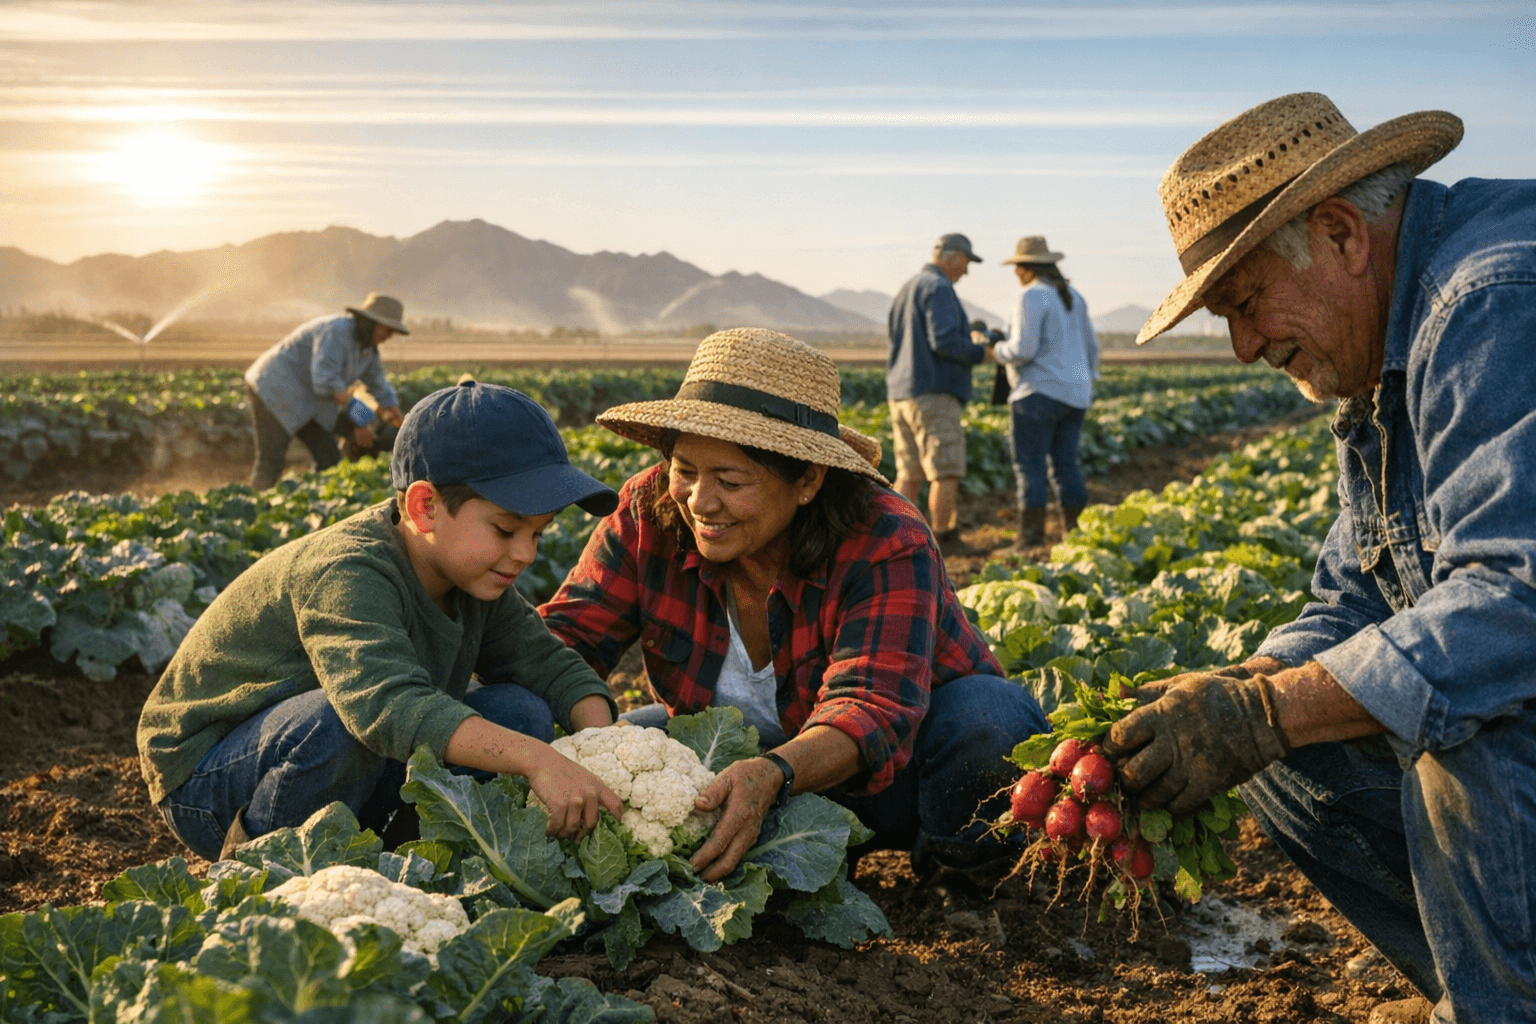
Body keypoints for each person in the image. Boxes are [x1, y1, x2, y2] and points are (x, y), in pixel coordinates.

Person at [1104, 92, 1536, 1024]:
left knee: (1461, 730)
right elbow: (1351, 596)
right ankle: (1491, 993)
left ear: (1341, 232)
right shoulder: (1379, 354)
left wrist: (1270, 710)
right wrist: (1240, 688)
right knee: (1286, 752)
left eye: (1245, 302)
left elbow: (1516, 602)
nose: (1243, 346)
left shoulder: (1492, 300)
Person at [539, 327, 1049, 885]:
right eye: (684, 470)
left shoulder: (884, 538)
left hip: (891, 780)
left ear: (807, 479)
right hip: (734, 764)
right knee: (626, 740)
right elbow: (566, 641)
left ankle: (962, 877)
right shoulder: (648, 508)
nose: (699, 502)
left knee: (988, 717)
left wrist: (774, 774)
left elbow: (870, 708)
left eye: (730, 481)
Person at [138, 380, 626, 862]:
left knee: (524, 713)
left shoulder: (475, 574)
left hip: (348, 759)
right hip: (209, 780)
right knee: (335, 724)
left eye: (538, 534)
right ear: (425, 507)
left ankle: (404, 853)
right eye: (506, 529)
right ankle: (259, 867)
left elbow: (549, 666)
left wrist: (603, 751)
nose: (524, 554)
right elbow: (385, 706)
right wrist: (540, 760)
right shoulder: (347, 569)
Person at [885, 233, 994, 547]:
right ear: (954, 257)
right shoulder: (939, 288)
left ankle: (895, 543)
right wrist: (979, 352)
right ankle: (944, 540)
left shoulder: (907, 288)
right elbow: (944, 341)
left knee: (908, 473)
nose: (966, 272)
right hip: (934, 394)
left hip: (902, 392)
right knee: (945, 471)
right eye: (966, 263)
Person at [992, 236, 1100, 549]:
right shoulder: (1073, 296)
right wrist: (1087, 380)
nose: (1015, 273)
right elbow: (1092, 347)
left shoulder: (1030, 296)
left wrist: (995, 350)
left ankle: (1031, 539)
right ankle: (1076, 534)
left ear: (1026, 268)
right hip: (1076, 394)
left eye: (1017, 267)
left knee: (1029, 466)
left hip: (1038, 393)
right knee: (1066, 465)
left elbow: (1023, 350)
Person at [244, 292, 410, 490]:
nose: (389, 336)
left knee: (329, 460)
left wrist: (403, 427)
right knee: (271, 462)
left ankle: (318, 507)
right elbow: (325, 381)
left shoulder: (368, 350)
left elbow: (380, 387)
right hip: (274, 389)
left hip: (308, 400)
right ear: (372, 323)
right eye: (388, 329)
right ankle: (254, 504)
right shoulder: (336, 332)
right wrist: (360, 420)